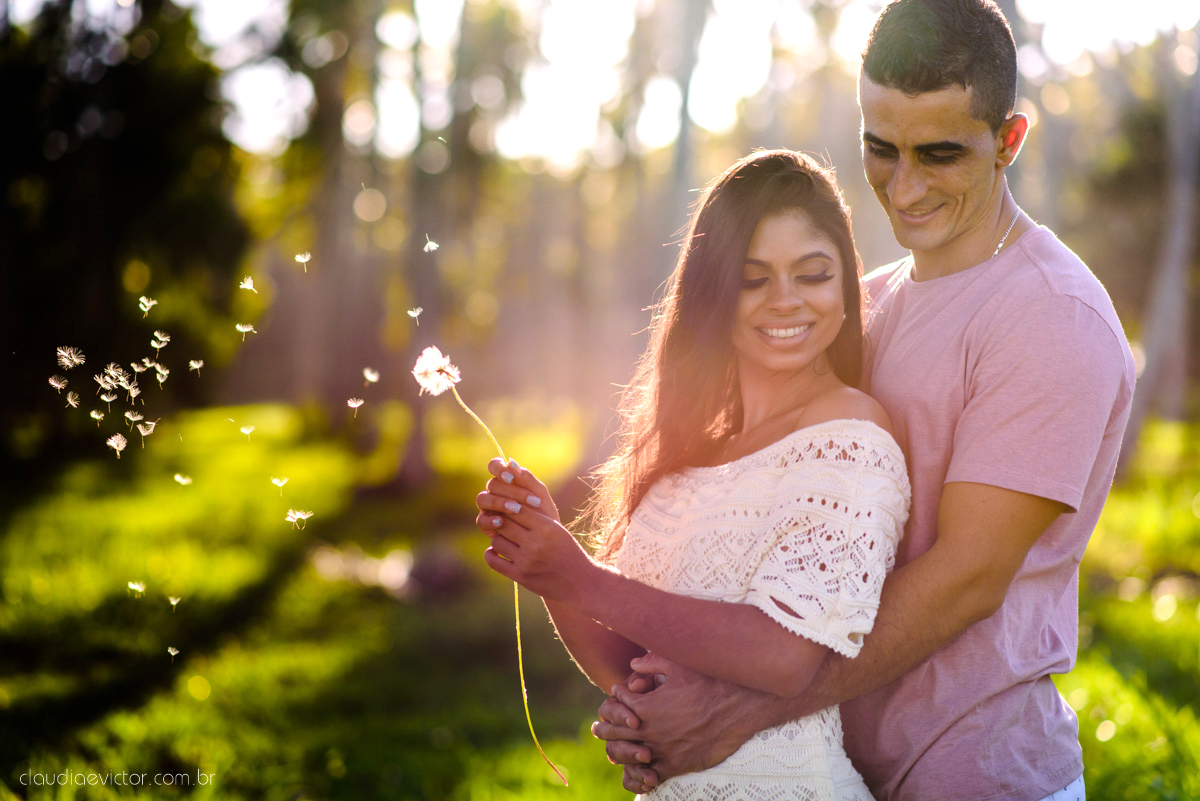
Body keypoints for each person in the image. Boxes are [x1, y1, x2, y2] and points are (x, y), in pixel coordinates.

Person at [591, 2, 1137, 800]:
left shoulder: (1053, 315)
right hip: (833, 775)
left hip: (975, 776)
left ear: (1009, 141)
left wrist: (738, 710)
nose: (904, 186)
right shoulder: (862, 305)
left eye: (940, 154)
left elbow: (967, 577)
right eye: (880, 148)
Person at [475, 149, 911, 798]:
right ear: (714, 291)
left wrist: (581, 577)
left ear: (846, 284)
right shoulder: (692, 449)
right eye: (753, 277)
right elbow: (626, 664)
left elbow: (784, 653)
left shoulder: (854, 437)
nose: (785, 300)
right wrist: (546, 562)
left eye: (812, 273)